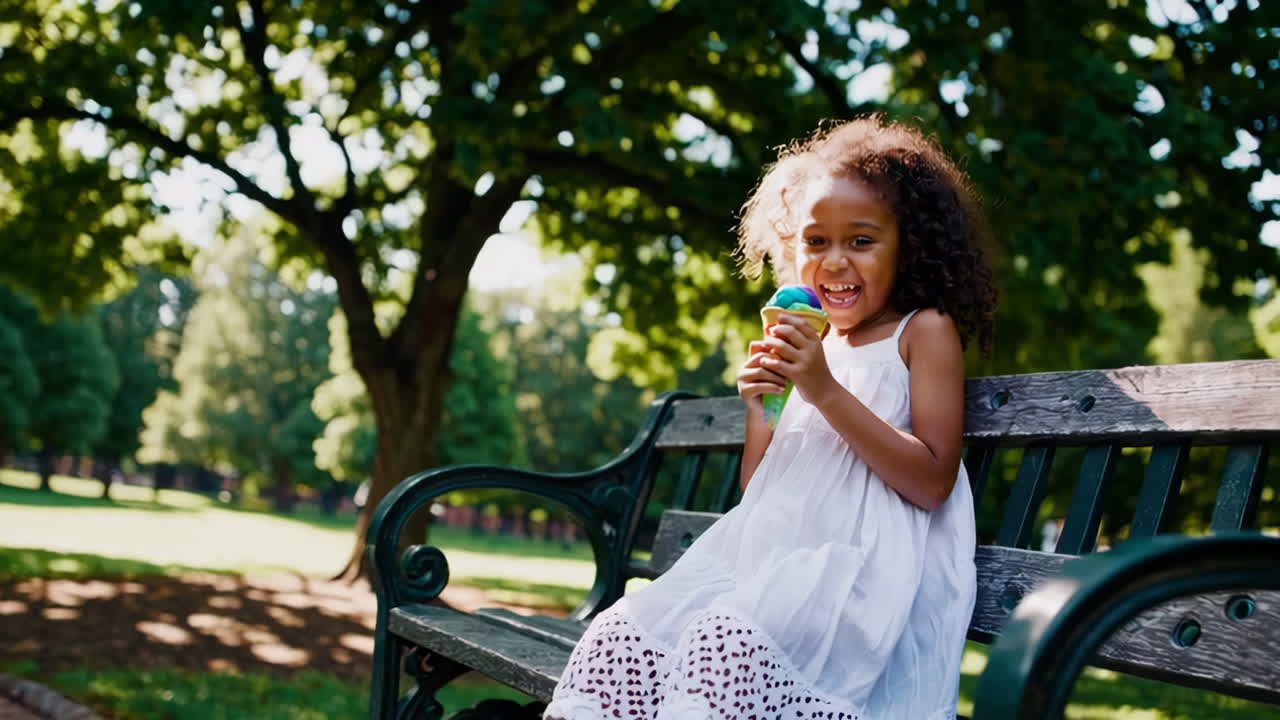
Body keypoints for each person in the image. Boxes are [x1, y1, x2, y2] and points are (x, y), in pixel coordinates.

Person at [544, 115, 998, 720]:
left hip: (857, 577)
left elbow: (933, 480)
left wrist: (824, 390)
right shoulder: (819, 349)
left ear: (908, 246)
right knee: (619, 634)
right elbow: (762, 492)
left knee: (721, 644)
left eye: (861, 241)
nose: (834, 262)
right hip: (770, 566)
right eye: (816, 242)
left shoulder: (923, 332)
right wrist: (765, 411)